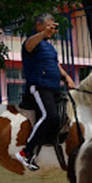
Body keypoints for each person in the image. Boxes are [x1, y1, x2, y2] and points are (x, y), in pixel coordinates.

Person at [17, 13, 76, 171]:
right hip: (39, 87)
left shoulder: (49, 47)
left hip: (54, 87)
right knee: (49, 115)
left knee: (64, 115)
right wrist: (43, 34)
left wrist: (67, 77)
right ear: (38, 25)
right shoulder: (31, 42)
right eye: (49, 25)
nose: (52, 29)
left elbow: (56, 65)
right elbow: (28, 45)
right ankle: (26, 152)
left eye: (53, 26)